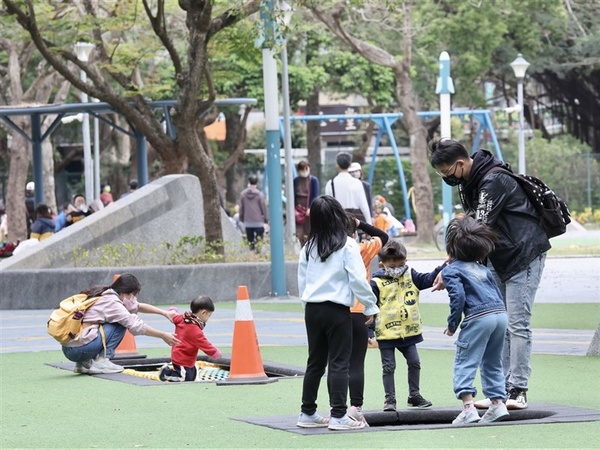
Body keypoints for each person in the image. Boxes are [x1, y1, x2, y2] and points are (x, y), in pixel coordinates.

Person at [429, 138, 550, 410]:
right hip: (498, 256)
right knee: (501, 322)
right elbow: (471, 229)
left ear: (460, 163)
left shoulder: (493, 181)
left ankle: (517, 389)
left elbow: (477, 228)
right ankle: (500, 391)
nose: (447, 178)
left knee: (517, 323)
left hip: (524, 253)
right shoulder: (469, 182)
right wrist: (449, 264)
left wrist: (449, 267)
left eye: (448, 172)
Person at [296, 195, 380, 431]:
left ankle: (308, 412)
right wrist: (370, 306)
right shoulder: (347, 244)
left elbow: (302, 280)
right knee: (339, 362)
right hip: (336, 309)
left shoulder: (309, 246)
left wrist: (307, 306)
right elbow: (358, 280)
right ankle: (339, 416)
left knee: (315, 361)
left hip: (312, 309)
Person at [442, 215, 509, 425]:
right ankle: (498, 402)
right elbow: (495, 292)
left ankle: (468, 408)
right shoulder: (483, 268)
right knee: (492, 361)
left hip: (478, 317)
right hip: (500, 315)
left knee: (465, 361)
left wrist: (453, 324)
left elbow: (458, 298)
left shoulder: (451, 270)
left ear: (451, 248)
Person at [370, 240, 446, 411]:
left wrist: (442, 267)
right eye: (393, 265)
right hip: (386, 333)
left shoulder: (411, 274)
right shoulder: (377, 282)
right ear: (383, 265)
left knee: (414, 362)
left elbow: (428, 280)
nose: (398, 268)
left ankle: (414, 395)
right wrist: (369, 330)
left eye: (402, 264)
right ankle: (390, 400)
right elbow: (371, 307)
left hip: (409, 331)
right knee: (388, 367)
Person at [61, 273, 180, 375]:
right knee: (121, 324)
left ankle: (83, 364)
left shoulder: (106, 294)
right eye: (132, 295)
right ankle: (102, 361)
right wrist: (163, 335)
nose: (133, 298)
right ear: (125, 293)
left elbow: (138, 306)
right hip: (79, 349)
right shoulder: (113, 303)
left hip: (70, 348)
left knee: (107, 324)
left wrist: (165, 313)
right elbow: (136, 325)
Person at [346, 215, 389, 426]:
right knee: (356, 362)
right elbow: (383, 236)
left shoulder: (328, 249)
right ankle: (355, 408)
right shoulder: (361, 248)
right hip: (358, 309)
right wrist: (360, 223)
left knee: (337, 362)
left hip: (335, 309)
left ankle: (336, 408)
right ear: (353, 232)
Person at [159, 295, 222, 382]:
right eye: (209, 315)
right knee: (184, 377)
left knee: (191, 376)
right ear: (203, 313)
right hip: (182, 358)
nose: (208, 318)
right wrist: (214, 352)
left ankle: (180, 373)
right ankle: (166, 373)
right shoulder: (195, 330)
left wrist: (173, 311)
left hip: (186, 357)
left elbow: (174, 317)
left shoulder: (184, 318)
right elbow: (204, 343)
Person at [325, 152, 372, 225]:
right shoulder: (357, 183)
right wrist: (369, 224)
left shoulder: (331, 184)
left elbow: (328, 207)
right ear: (350, 164)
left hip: (338, 222)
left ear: (337, 165)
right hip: (355, 222)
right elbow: (364, 206)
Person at [238, 175, 269, 252]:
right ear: (256, 183)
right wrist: (266, 219)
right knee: (259, 241)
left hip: (248, 222)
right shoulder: (259, 195)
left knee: (250, 241)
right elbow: (263, 208)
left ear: (248, 182)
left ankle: (251, 255)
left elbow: (241, 208)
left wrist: (241, 218)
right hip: (258, 222)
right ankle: (258, 254)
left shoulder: (243, 194)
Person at [293, 160, 320, 246]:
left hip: (309, 209)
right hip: (298, 210)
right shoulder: (296, 180)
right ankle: (302, 247)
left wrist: (310, 207)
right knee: (299, 232)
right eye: (302, 170)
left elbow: (315, 195)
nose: (304, 172)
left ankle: (309, 248)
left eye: (306, 169)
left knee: (309, 231)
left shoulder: (313, 180)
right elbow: (293, 195)